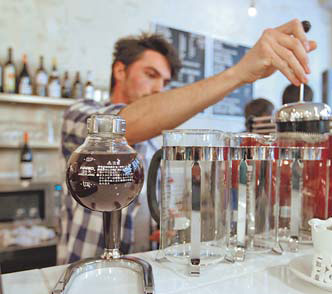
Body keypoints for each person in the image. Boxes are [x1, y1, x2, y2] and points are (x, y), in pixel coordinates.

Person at [59, 18, 317, 264]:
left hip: (140, 270)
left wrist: (161, 226)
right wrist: (241, 72)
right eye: (151, 74)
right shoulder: (81, 115)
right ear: (120, 70)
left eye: (165, 81)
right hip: (85, 271)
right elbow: (125, 126)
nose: (159, 88)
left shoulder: (155, 141)